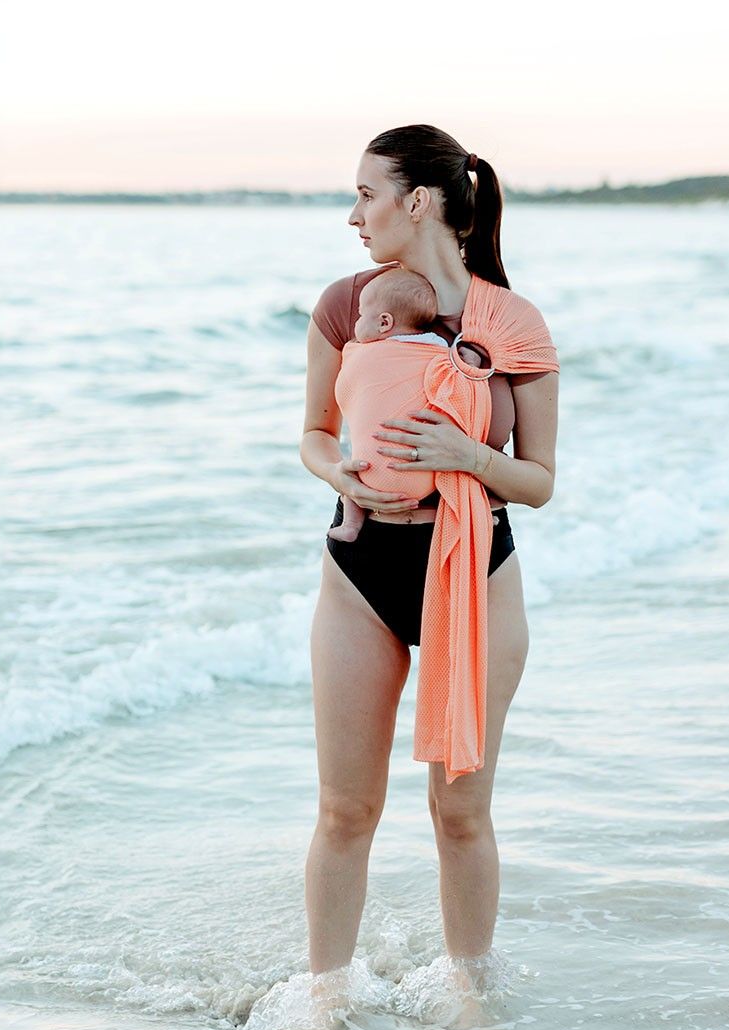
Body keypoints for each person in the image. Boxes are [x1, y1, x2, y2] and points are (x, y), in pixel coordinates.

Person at [300, 124, 559, 985]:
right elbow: (313, 433)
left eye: (366, 194)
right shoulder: (349, 305)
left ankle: (470, 1003)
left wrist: (469, 457)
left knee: (459, 811)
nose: (353, 215)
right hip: (359, 571)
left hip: (475, 572)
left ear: (418, 202)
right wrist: (336, 470)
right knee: (345, 808)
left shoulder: (510, 323)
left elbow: (539, 481)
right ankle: (325, 1004)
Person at [325, 266, 450, 544]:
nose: (356, 323)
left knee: (353, 474)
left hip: (370, 474)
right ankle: (470, 515)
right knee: (454, 475)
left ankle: (351, 525)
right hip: (426, 482)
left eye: (360, 315)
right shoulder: (437, 349)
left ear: (384, 323)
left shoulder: (363, 351)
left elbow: (345, 388)